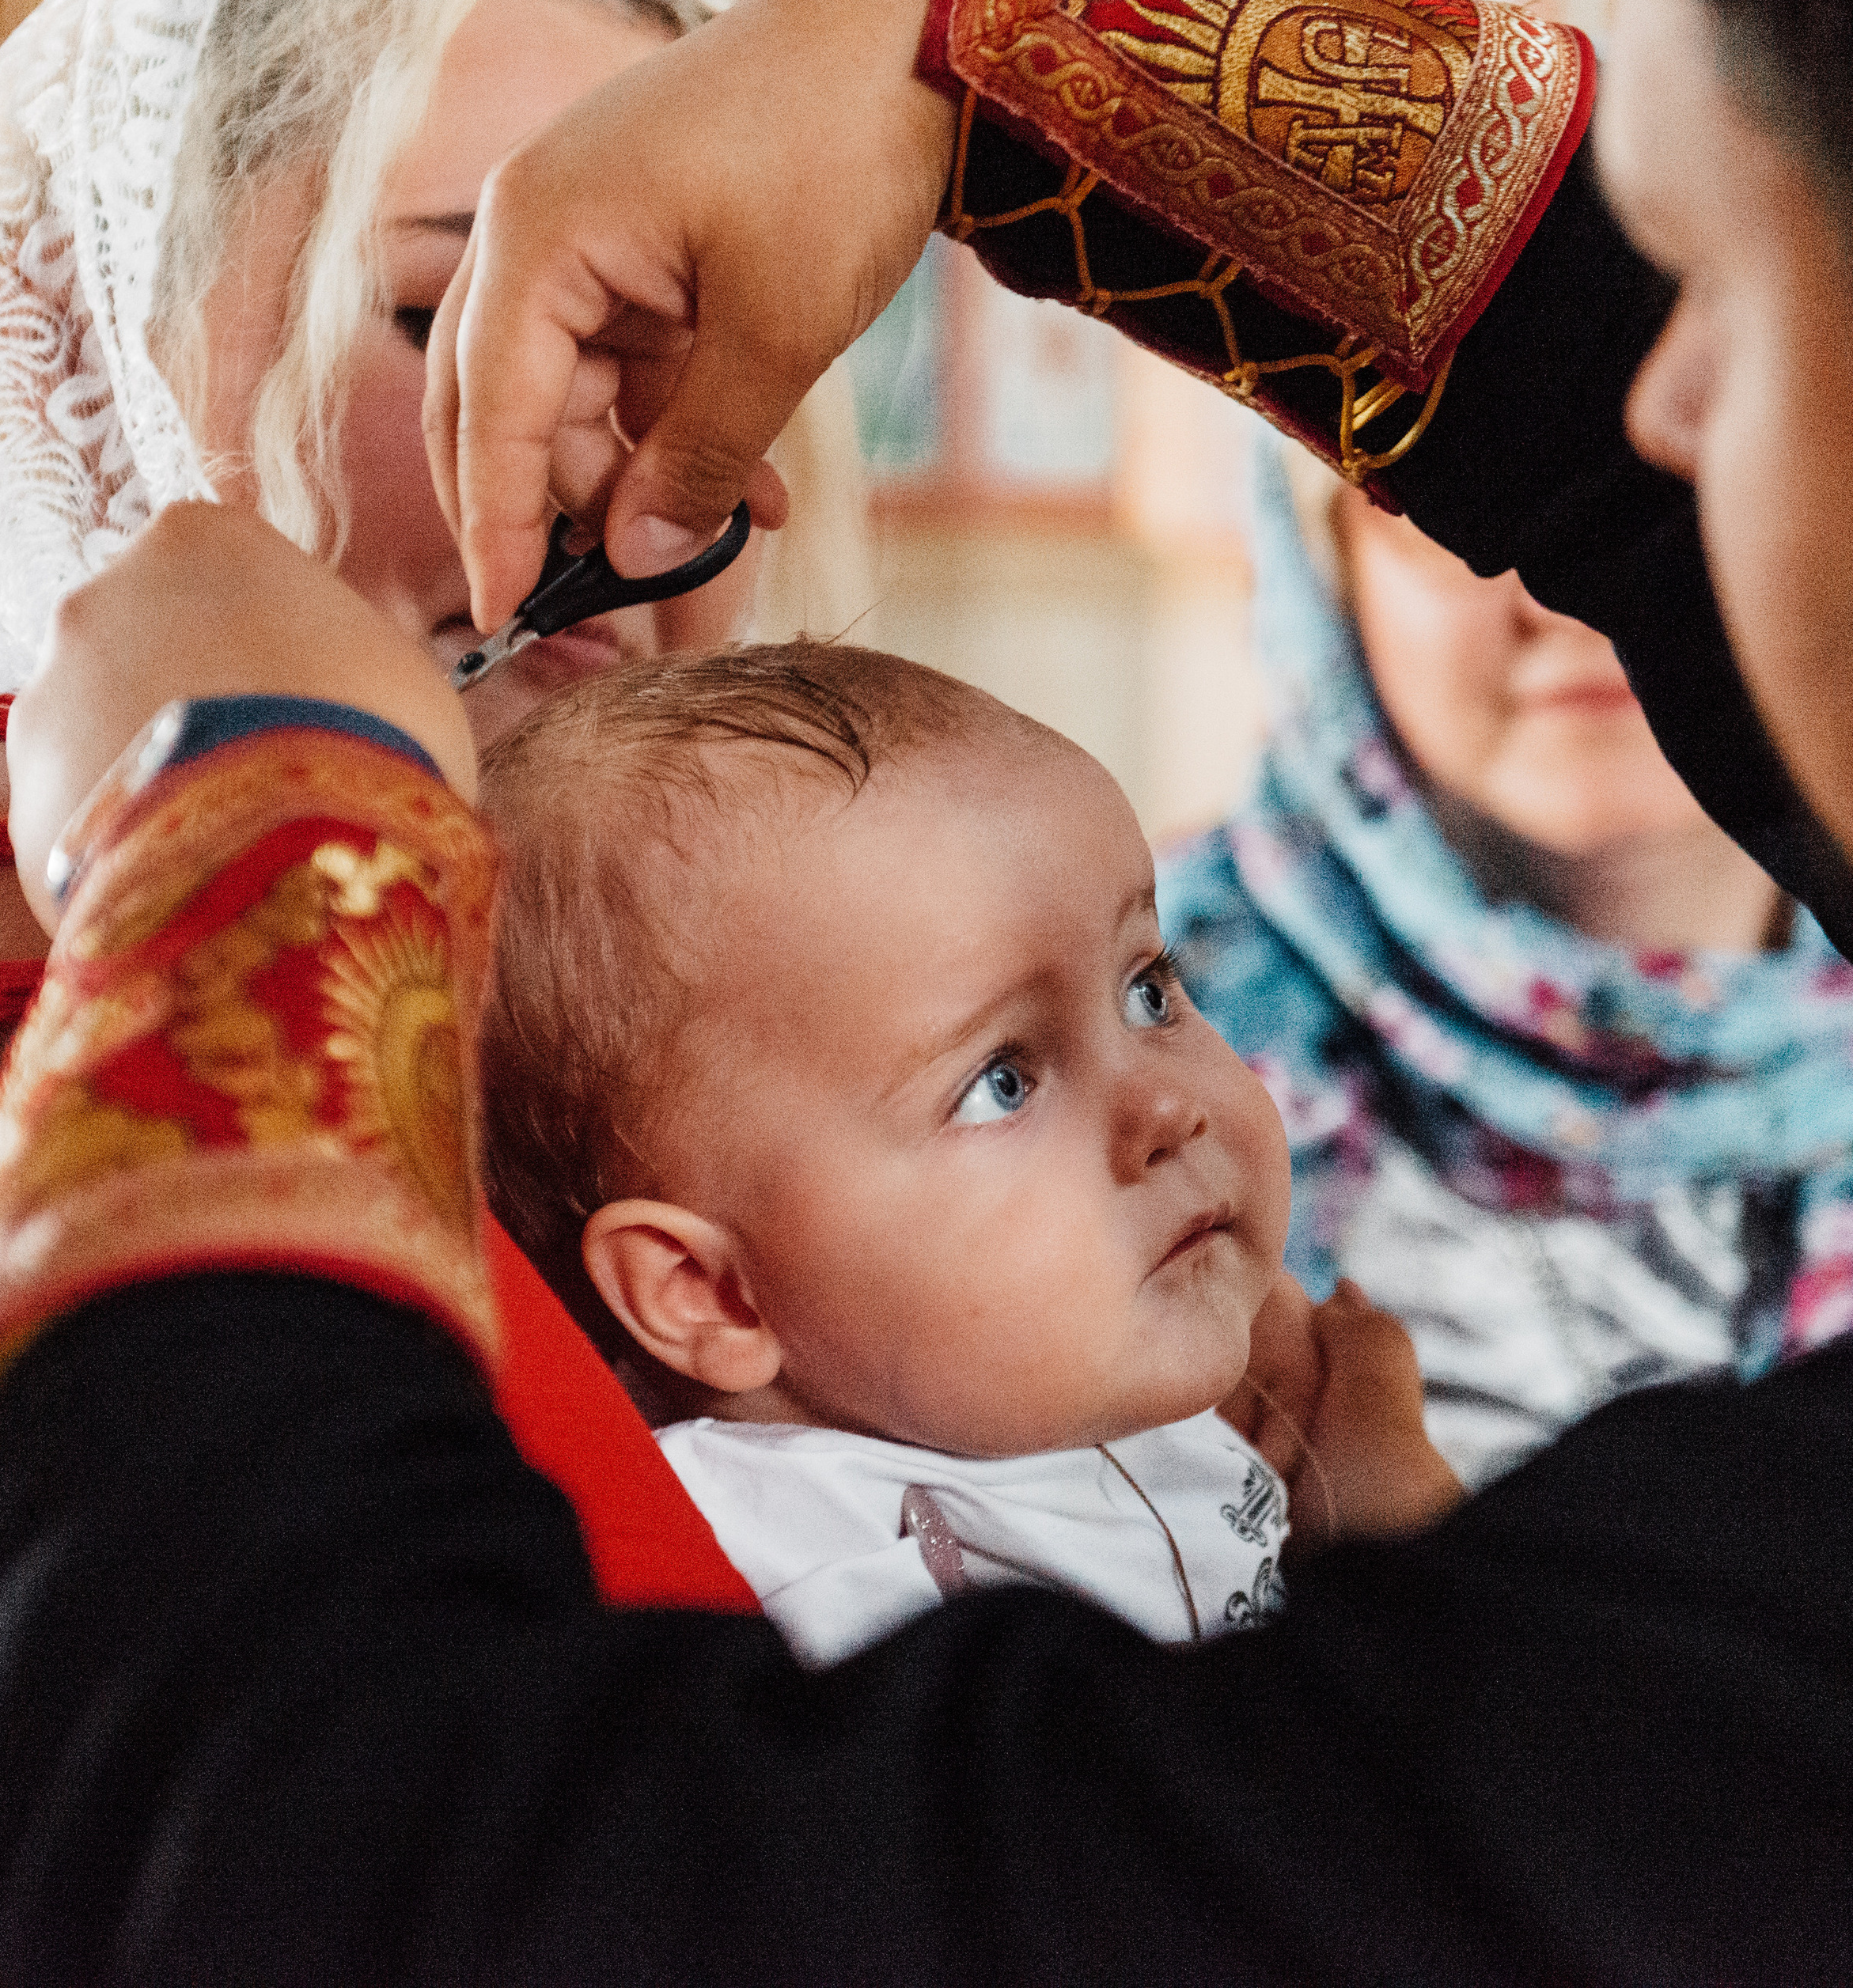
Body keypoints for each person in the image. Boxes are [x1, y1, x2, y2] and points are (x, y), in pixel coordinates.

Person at [0, 0, 1853, 1975]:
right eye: (438, 322)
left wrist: (249, 820)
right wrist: (993, 53)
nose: (1665, 407)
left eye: (1729, 285)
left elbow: (302, 1875)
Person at [0, 0, 866, 1971]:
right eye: (452, 317)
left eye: (724, 373)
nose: (658, 484)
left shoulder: (549, 969)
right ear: (109, 331)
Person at [477, 639, 1462, 1664]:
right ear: (711, 1292)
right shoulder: (791, 1595)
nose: (1168, 1107)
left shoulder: (1113, 1399)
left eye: (1147, 991)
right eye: (1002, 1082)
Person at [1159, 446, 1853, 1487]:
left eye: (1664, 483)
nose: (1570, 600)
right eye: (1460, 503)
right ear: (1324, 555)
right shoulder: (1104, 1042)